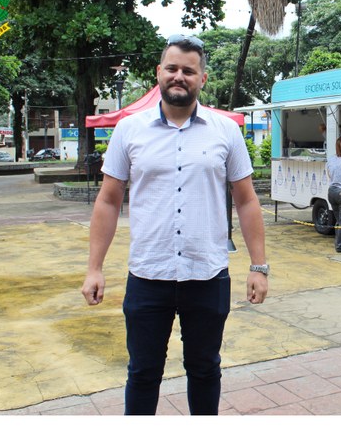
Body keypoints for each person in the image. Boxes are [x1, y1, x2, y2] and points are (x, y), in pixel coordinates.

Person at [81, 34, 269, 415]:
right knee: (143, 373)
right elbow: (108, 200)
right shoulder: (129, 130)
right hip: (148, 275)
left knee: (205, 369)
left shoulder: (225, 131)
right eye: (172, 68)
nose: (179, 76)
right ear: (159, 73)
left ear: (202, 78)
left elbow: (247, 200)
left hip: (207, 275)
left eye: (188, 70)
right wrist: (94, 268)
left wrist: (259, 266)